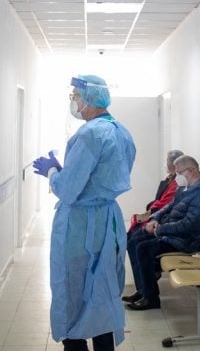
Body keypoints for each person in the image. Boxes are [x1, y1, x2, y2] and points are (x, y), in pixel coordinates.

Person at [33, 75, 135, 351]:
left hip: (81, 227)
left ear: (89, 98)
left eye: (75, 96)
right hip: (108, 222)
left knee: (72, 293)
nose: (73, 101)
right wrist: (64, 171)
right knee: (103, 291)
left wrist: (52, 172)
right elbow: (100, 178)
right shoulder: (121, 132)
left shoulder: (89, 134)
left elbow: (68, 190)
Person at [122, 155, 200, 310]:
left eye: (179, 173)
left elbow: (188, 225)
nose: (177, 177)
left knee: (143, 248)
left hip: (185, 240)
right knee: (134, 241)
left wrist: (161, 229)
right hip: (172, 233)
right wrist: (154, 218)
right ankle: (143, 291)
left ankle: (151, 299)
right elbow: (169, 206)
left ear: (192, 170)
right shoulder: (185, 188)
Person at [126, 149, 184, 239]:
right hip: (159, 212)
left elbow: (166, 202)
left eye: (167, 160)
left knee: (137, 229)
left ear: (174, 164)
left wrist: (152, 211)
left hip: (163, 216)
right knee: (136, 222)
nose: (165, 163)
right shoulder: (170, 178)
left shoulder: (178, 182)